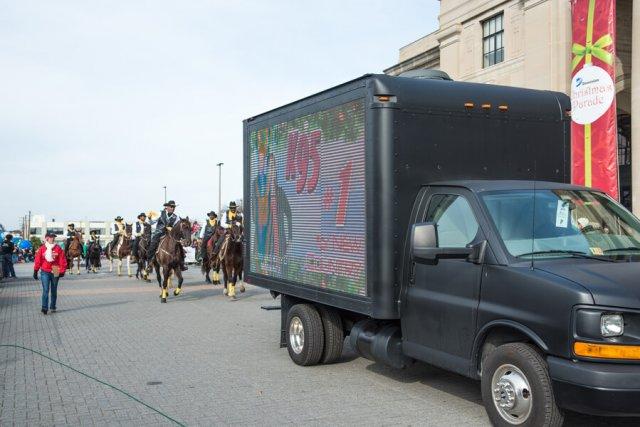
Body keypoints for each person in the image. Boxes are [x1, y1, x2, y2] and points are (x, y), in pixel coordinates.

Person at [146, 200, 187, 271]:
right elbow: (151, 223)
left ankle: (182, 263)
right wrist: (149, 218)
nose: (173, 208)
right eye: (171, 207)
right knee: (153, 244)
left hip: (170, 234)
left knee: (179, 246)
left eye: (174, 207)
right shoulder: (160, 213)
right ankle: (150, 263)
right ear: (167, 207)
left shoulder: (176, 217)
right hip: (159, 232)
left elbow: (176, 227)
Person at [33, 232, 67, 314]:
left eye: (54, 237)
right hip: (45, 270)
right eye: (51, 237)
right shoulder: (42, 249)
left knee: (54, 290)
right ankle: (44, 307)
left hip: (55, 269)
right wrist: (35, 270)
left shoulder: (58, 248)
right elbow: (38, 260)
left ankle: (53, 306)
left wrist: (62, 271)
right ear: (47, 238)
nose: (53, 239)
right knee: (46, 290)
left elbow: (62, 260)